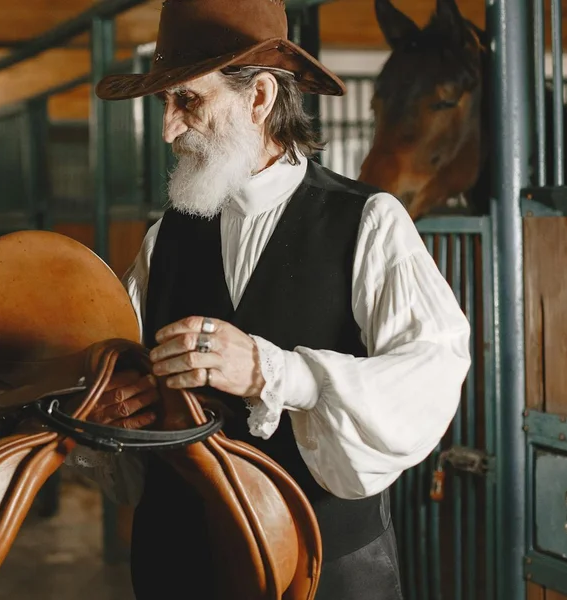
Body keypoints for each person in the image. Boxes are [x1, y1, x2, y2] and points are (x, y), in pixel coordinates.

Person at [63, 0, 472, 597]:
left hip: (321, 569)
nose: (168, 128)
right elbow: (123, 384)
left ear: (258, 99)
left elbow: (432, 373)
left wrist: (273, 371)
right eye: (165, 104)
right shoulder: (164, 239)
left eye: (189, 101)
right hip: (177, 567)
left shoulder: (369, 221)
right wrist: (116, 407)